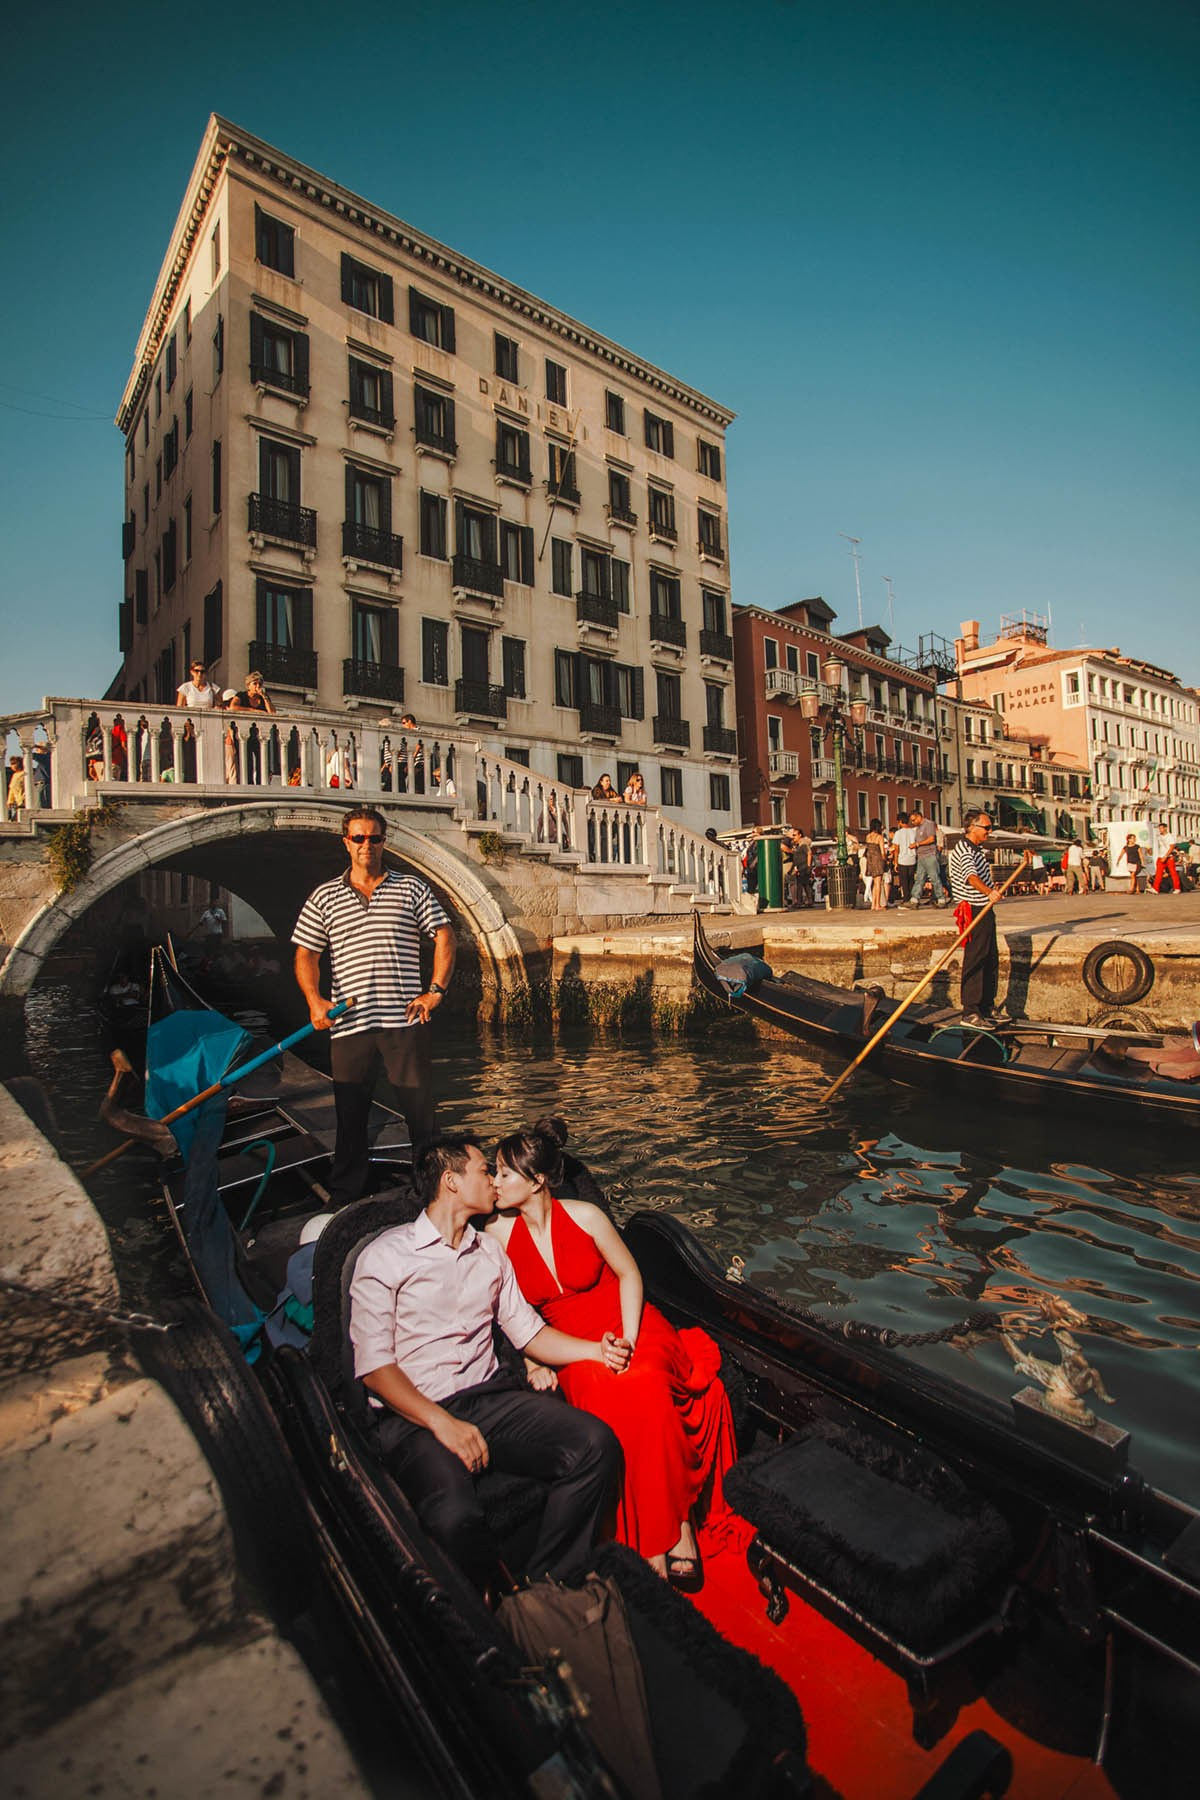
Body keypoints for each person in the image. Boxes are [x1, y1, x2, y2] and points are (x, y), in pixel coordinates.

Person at [349, 1133, 623, 1589]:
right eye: (484, 1170)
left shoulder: (489, 1251)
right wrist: (441, 1423)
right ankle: (484, 1606)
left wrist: (596, 1350)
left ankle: (547, 1586)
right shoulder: (385, 1257)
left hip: (488, 1399)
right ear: (451, 1181)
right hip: (413, 1416)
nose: (495, 1181)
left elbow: (529, 1333)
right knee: (454, 1517)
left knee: (595, 1443)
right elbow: (376, 1371)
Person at [487, 1120, 749, 1582]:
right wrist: (532, 1357)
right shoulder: (497, 1235)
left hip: (631, 1322)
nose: (494, 1182)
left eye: (505, 1174)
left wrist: (627, 1339)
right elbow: (501, 1309)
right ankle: (663, 1536)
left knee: (644, 1378)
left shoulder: (586, 1216)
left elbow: (630, 1275)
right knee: (600, 1389)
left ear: (537, 1181)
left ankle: (675, 1529)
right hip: (572, 1343)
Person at [293, 807, 456, 1202]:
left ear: (385, 841)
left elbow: (445, 936)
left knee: (419, 1112)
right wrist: (315, 1001)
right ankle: (347, 1193)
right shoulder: (324, 896)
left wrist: (435, 991)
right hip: (350, 1022)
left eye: (375, 838)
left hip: (405, 1020)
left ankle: (430, 1188)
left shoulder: (412, 888)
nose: (368, 845)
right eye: (359, 838)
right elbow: (306, 955)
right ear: (346, 842)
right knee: (350, 1114)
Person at [948, 811, 1029, 1027]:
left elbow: (979, 876)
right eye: (987, 828)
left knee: (990, 958)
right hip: (973, 909)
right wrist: (988, 892)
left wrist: (989, 891)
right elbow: (970, 877)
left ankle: (986, 1006)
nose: (989, 832)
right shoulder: (964, 849)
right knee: (976, 958)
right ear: (972, 827)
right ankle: (970, 1011)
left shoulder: (977, 850)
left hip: (983, 907)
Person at [226, 671, 276, 783]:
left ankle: (261, 784)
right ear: (249, 685)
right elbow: (233, 707)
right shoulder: (241, 695)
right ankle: (248, 783)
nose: (257, 686)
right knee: (246, 761)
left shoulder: (263, 698)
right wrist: (253, 711)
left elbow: (272, 713)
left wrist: (264, 697)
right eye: (255, 683)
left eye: (259, 684)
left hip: (259, 734)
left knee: (262, 760)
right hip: (244, 733)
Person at [908, 809, 949, 907]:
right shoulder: (918, 828)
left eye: (914, 820)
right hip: (921, 856)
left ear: (918, 816)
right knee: (919, 878)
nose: (913, 823)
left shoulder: (929, 824)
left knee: (934, 878)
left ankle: (941, 899)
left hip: (929, 855)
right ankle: (914, 900)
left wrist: (917, 844)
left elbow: (931, 839)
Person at [892, 811, 918, 904]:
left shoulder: (898, 833)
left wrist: (895, 862)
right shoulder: (914, 832)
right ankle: (912, 897)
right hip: (912, 859)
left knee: (904, 881)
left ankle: (906, 898)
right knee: (911, 880)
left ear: (900, 822)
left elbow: (896, 849)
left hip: (902, 859)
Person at [863, 821, 888, 910]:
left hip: (870, 861)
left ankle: (873, 904)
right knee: (878, 883)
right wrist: (885, 860)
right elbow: (882, 852)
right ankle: (877, 905)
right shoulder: (879, 837)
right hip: (878, 861)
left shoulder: (868, 836)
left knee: (874, 883)